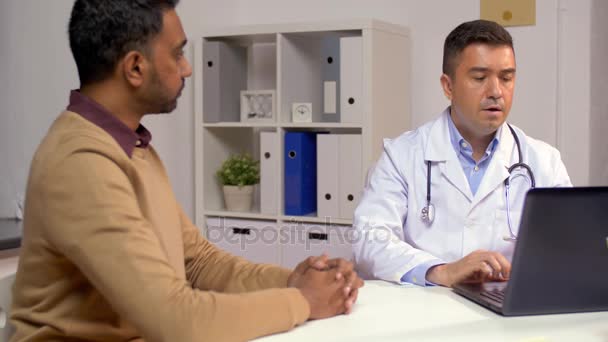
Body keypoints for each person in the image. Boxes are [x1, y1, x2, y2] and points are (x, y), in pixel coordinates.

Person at [10, 1, 363, 341]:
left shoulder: (131, 148)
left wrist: (298, 281)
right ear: (135, 67)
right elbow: (178, 322)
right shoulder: (82, 163)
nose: (188, 68)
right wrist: (304, 301)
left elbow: (199, 263)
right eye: (178, 53)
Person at [352, 20, 571, 288]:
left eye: (506, 78)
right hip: (425, 310)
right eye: (479, 78)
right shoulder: (401, 156)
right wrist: (440, 271)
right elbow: (370, 240)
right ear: (448, 86)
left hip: (508, 312)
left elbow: (567, 248)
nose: (496, 92)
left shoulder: (544, 162)